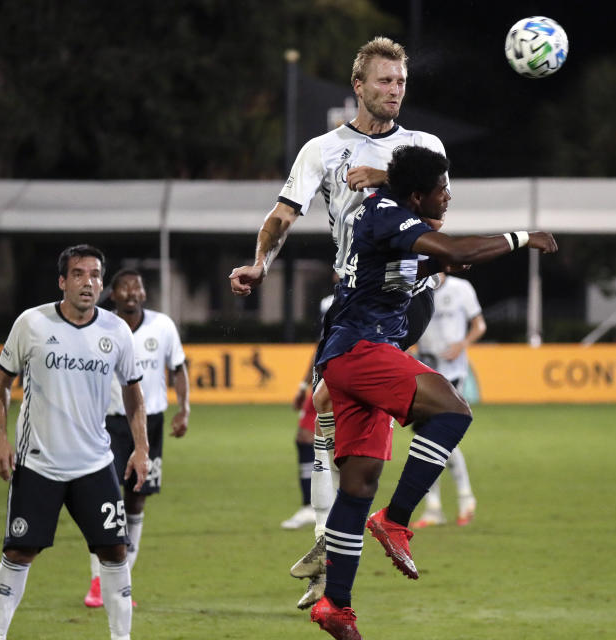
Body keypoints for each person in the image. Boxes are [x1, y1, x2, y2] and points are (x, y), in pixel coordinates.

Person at [228, 36, 447, 610]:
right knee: (339, 424)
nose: (394, 91)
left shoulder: (423, 144)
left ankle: (336, 539)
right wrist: (260, 264)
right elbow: (281, 217)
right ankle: (340, 539)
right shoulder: (321, 151)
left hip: (405, 297)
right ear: (359, 86)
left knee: (331, 400)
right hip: (354, 301)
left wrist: (382, 178)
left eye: (400, 82)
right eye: (383, 81)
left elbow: (438, 210)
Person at [307, 145, 557, 639]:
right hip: (363, 349)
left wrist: (427, 268)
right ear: (418, 195)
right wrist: (523, 236)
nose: (449, 196)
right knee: (453, 410)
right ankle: (396, 520)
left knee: (358, 485)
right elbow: (458, 250)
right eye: (442, 189)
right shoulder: (389, 214)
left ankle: (335, 604)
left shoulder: (386, 213)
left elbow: (387, 271)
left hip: (350, 355)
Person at [0, 245, 147, 640]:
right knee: (19, 553)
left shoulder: (116, 331)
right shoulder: (32, 324)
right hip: (38, 463)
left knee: (114, 553)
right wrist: (0, 438)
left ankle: (121, 637)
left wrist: (141, 448)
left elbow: (133, 392)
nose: (88, 282)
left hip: (94, 463)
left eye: (95, 275)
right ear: (62, 282)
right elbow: (1, 382)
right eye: (78, 274)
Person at [83, 269, 190, 608]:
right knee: (105, 499)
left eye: (137, 287)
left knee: (136, 500)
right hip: (107, 423)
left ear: (144, 293)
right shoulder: (99, 327)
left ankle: (122, 581)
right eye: (124, 287)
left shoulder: (163, 326)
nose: (131, 292)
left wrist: (184, 408)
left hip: (151, 424)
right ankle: (99, 581)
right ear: (112, 295)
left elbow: (179, 368)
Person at [410, 274, 486, 528]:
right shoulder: (417, 287)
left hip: (453, 373)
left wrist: (461, 345)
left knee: (437, 439)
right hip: (426, 372)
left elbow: (479, 325)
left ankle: (454, 501)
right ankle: (444, 505)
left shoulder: (461, 288)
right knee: (427, 440)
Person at [282, 290, 337, 531]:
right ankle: (316, 506)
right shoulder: (329, 301)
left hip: (342, 373)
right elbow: (320, 346)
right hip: (323, 376)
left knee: (331, 443)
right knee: (307, 438)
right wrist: (304, 385)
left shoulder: (363, 292)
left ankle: (321, 507)